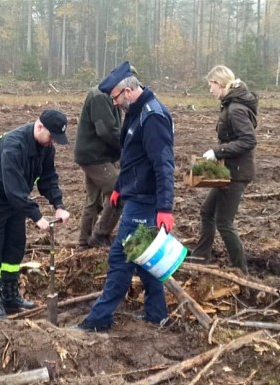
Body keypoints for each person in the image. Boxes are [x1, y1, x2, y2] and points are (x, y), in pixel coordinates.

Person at [76, 61, 175, 332]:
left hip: (146, 201)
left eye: (116, 98)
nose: (115, 104)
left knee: (120, 258)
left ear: (128, 91)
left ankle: (98, 320)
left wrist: (165, 208)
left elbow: (163, 164)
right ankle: (157, 314)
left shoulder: (152, 117)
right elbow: (131, 159)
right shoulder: (136, 112)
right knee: (141, 256)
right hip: (134, 196)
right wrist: (120, 187)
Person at [0, 109, 71, 319]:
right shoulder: (13, 147)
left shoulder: (46, 147)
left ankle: (10, 297)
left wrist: (58, 204)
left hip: (15, 199)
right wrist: (37, 216)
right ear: (39, 126)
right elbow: (13, 189)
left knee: (14, 247)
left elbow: (48, 178)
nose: (52, 142)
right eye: (51, 136)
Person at [190, 65, 258, 274]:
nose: (209, 90)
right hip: (227, 172)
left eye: (211, 85)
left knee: (224, 222)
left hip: (236, 174)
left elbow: (248, 140)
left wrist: (218, 151)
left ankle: (240, 269)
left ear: (219, 84)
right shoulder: (230, 105)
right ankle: (201, 256)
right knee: (207, 212)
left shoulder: (236, 109)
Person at [73, 66, 138, 250]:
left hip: (96, 155)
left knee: (93, 202)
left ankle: (84, 243)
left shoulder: (107, 96)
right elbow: (106, 130)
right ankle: (100, 235)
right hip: (95, 157)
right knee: (120, 192)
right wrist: (127, 149)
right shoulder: (100, 96)